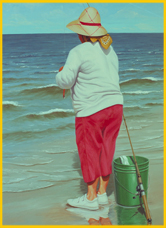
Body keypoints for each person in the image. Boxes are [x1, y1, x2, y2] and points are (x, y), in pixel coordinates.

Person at [56, 7, 123, 210]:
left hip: (92, 110)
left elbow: (65, 81)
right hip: (115, 106)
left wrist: (60, 73)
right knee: (106, 148)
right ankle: (102, 193)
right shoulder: (110, 50)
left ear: (80, 33)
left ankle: (91, 198)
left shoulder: (77, 51)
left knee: (89, 150)